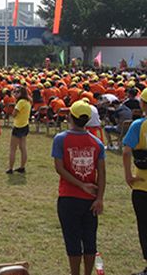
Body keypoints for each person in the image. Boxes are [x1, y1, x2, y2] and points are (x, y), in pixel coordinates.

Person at [52, 100, 106, 275]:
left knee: (73, 240)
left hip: (69, 197)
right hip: (91, 199)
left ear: (70, 116)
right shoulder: (97, 143)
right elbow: (102, 173)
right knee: (90, 240)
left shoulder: (61, 139)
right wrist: (99, 198)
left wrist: (81, 185)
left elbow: (59, 168)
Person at [122, 88, 147, 275]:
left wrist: (128, 175)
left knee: (145, 227)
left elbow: (126, 151)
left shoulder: (138, 125)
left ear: (143, 105)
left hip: (142, 185)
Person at [7, 86, 32, 174]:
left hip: (18, 126)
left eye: (17, 92)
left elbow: (14, 114)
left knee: (13, 148)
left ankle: (10, 168)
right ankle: (22, 167)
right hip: (25, 125)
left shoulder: (20, 102)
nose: (15, 94)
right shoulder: (28, 101)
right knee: (23, 147)